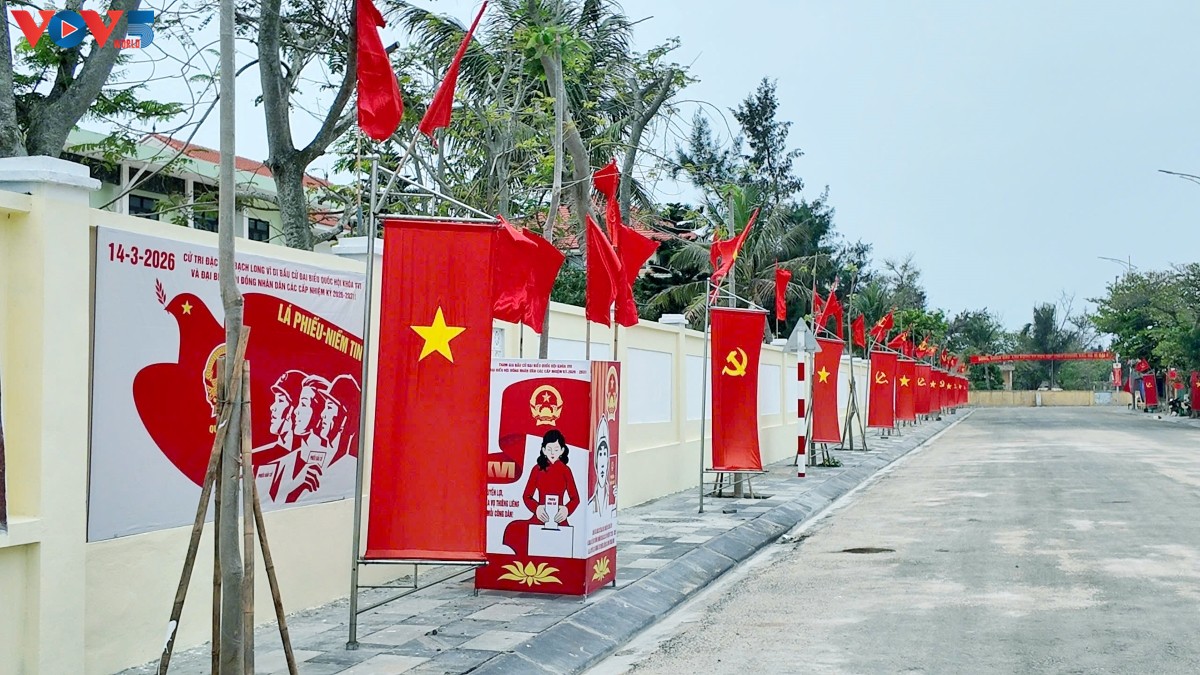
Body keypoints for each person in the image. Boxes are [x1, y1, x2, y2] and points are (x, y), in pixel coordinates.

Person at [502, 430, 581, 557]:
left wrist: (566, 510)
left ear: (562, 450)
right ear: (543, 450)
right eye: (549, 449)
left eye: (556, 449)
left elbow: (575, 498)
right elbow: (527, 496)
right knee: (513, 529)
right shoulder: (537, 469)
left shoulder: (566, 470)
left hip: (558, 518)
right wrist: (537, 508)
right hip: (540, 516)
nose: (552, 453)